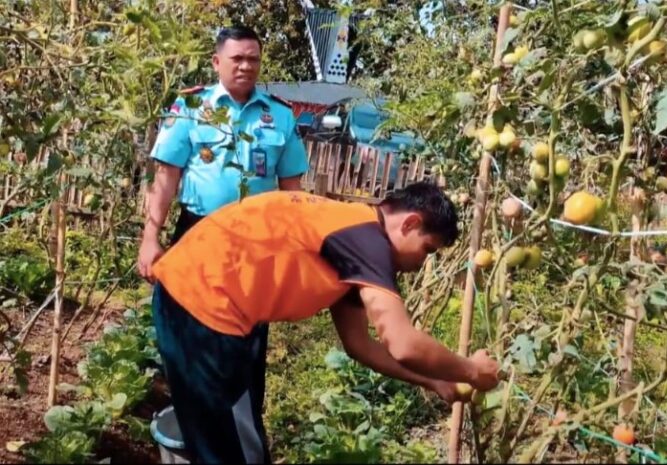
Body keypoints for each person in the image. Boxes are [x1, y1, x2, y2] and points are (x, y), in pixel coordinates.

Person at [150, 182, 501, 463]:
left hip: (210, 302)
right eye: (427, 249)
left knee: (237, 436)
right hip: (201, 306)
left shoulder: (353, 239)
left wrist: (433, 380)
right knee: (226, 448)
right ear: (409, 223)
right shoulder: (366, 240)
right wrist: (471, 370)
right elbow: (403, 343)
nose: (423, 262)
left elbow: (360, 345)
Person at [137, 25, 308, 281]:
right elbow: (166, 176)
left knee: (249, 318)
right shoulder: (190, 107)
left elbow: (292, 187)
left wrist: (298, 244)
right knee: (186, 313)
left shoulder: (281, 115)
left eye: (253, 59)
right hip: (198, 229)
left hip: (257, 239)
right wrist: (150, 237)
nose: (246, 66)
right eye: (237, 58)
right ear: (217, 62)